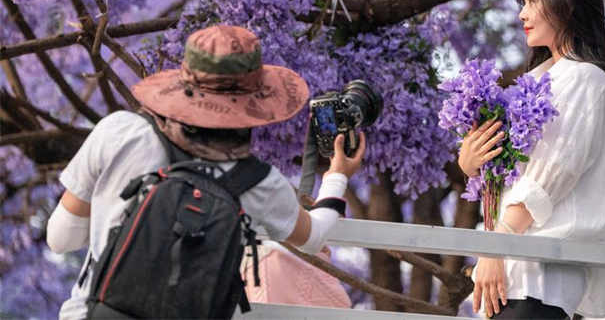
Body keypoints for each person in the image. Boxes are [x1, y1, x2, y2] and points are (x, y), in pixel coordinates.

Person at [46, 25, 366, 320]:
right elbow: (315, 237)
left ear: (183, 83)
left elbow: (61, 239)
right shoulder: (259, 181)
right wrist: (337, 175)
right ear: (256, 98)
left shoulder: (120, 131)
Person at [459, 0, 605, 320]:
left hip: (542, 276)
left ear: (566, 3)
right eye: (524, 2)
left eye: (533, 0)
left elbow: (551, 177)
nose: (523, 13)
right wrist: (471, 162)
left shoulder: (586, 79)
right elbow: (509, 177)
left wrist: (495, 246)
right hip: (510, 271)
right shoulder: (536, 81)